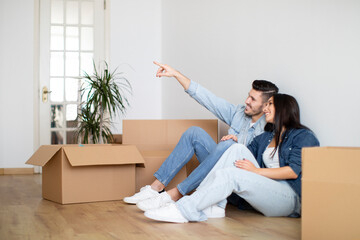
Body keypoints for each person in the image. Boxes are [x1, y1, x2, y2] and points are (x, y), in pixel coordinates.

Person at [124, 62, 279, 212]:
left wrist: (238, 144)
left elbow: (257, 166)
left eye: (253, 99)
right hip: (217, 172)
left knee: (229, 144)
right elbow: (207, 98)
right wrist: (176, 74)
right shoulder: (239, 113)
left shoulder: (269, 127)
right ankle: (155, 188)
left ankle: (175, 194)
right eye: (248, 96)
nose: (246, 101)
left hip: (237, 184)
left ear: (266, 105)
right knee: (194, 133)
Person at [143, 93, 320, 223]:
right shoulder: (265, 137)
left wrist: (256, 171)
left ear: (283, 108)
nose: (265, 109)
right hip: (265, 189)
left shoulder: (303, 136)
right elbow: (241, 154)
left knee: (230, 175)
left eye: (270, 105)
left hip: (289, 197)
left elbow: (293, 172)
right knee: (235, 148)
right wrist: (234, 141)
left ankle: (185, 209)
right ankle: (215, 207)